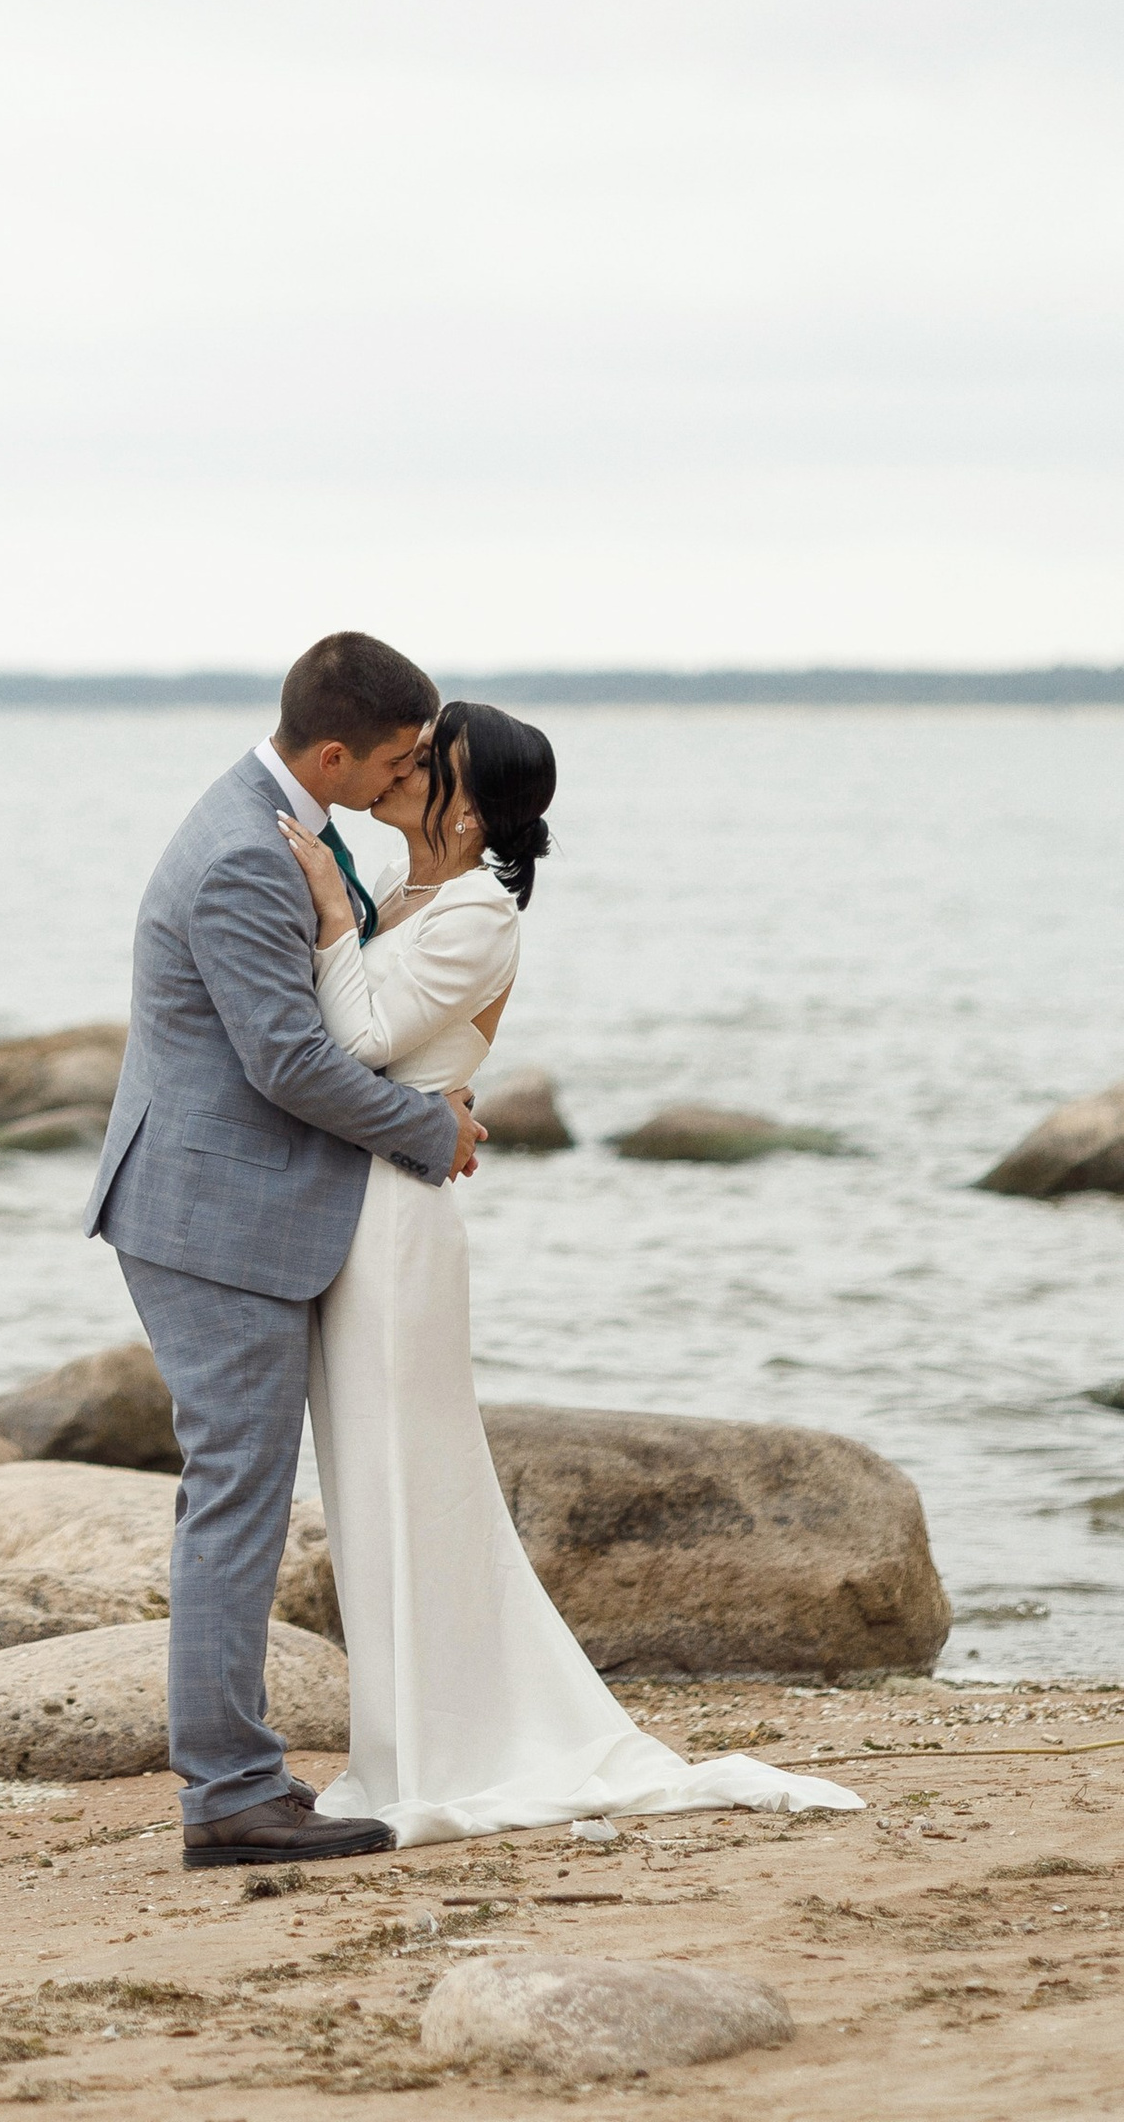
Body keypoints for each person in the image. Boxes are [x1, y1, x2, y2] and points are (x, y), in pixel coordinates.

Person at [285, 699, 860, 1839]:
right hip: (352, 1205)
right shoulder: (396, 895)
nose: (400, 774)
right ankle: (404, 1740)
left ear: (474, 798)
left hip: (397, 1225)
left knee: (415, 1474)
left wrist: (323, 926)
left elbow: (352, 1041)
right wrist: (343, 925)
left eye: (427, 764)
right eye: (403, 758)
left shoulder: (477, 915)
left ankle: (456, 1746)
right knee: (367, 1484)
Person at [83, 630, 485, 1867]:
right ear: (331, 751)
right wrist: (429, 1129)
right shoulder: (244, 858)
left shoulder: (282, 827)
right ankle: (229, 1796)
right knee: (236, 1503)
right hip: (213, 1221)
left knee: (237, 1498)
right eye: (400, 759)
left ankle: (241, 1781)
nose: (406, 778)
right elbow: (287, 1061)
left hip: (228, 1205)